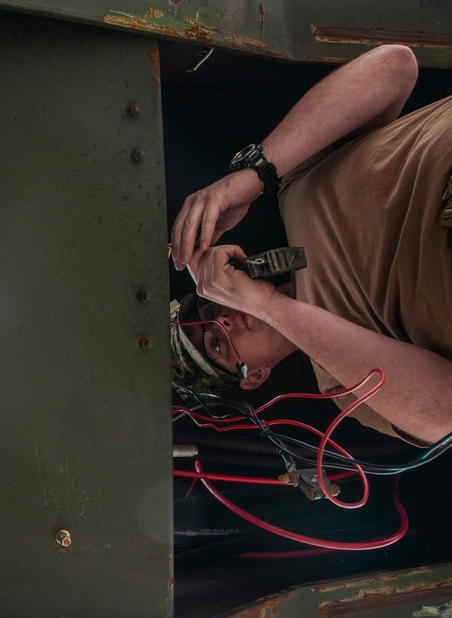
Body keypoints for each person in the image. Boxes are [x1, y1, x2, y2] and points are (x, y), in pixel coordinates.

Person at [169, 44, 452, 447]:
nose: (227, 318)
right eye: (216, 342)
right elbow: (444, 411)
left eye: (212, 307)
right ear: (254, 375)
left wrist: (251, 178)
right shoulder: (342, 384)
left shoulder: (295, 191)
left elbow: (395, 66)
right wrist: (267, 306)